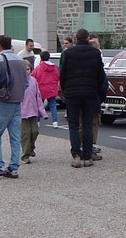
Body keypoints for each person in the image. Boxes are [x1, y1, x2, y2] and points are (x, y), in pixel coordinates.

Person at [59, 28, 105, 168]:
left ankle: (76, 155)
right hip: (90, 91)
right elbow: (100, 75)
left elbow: (63, 74)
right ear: (87, 38)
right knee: (87, 124)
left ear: (76, 38)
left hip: (72, 92)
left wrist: (65, 90)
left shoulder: (68, 53)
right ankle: (87, 156)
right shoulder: (95, 53)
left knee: (73, 125)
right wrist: (98, 92)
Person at [0, 35, 28, 179]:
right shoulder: (21, 60)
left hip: (3, 101)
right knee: (15, 136)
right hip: (17, 101)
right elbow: (26, 83)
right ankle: (13, 168)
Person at [21, 61, 48, 164]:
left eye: (28, 69)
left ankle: (31, 148)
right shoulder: (19, 81)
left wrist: (43, 112)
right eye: (24, 70)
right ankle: (25, 155)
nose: (26, 72)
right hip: (22, 113)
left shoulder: (33, 81)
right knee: (25, 134)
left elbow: (38, 97)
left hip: (33, 112)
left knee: (35, 132)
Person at [32, 50, 60, 128]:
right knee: (53, 106)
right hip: (52, 88)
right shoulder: (54, 68)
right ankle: (55, 122)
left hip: (41, 89)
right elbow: (58, 77)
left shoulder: (38, 68)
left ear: (40, 58)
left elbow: (33, 77)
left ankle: (37, 122)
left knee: (39, 106)